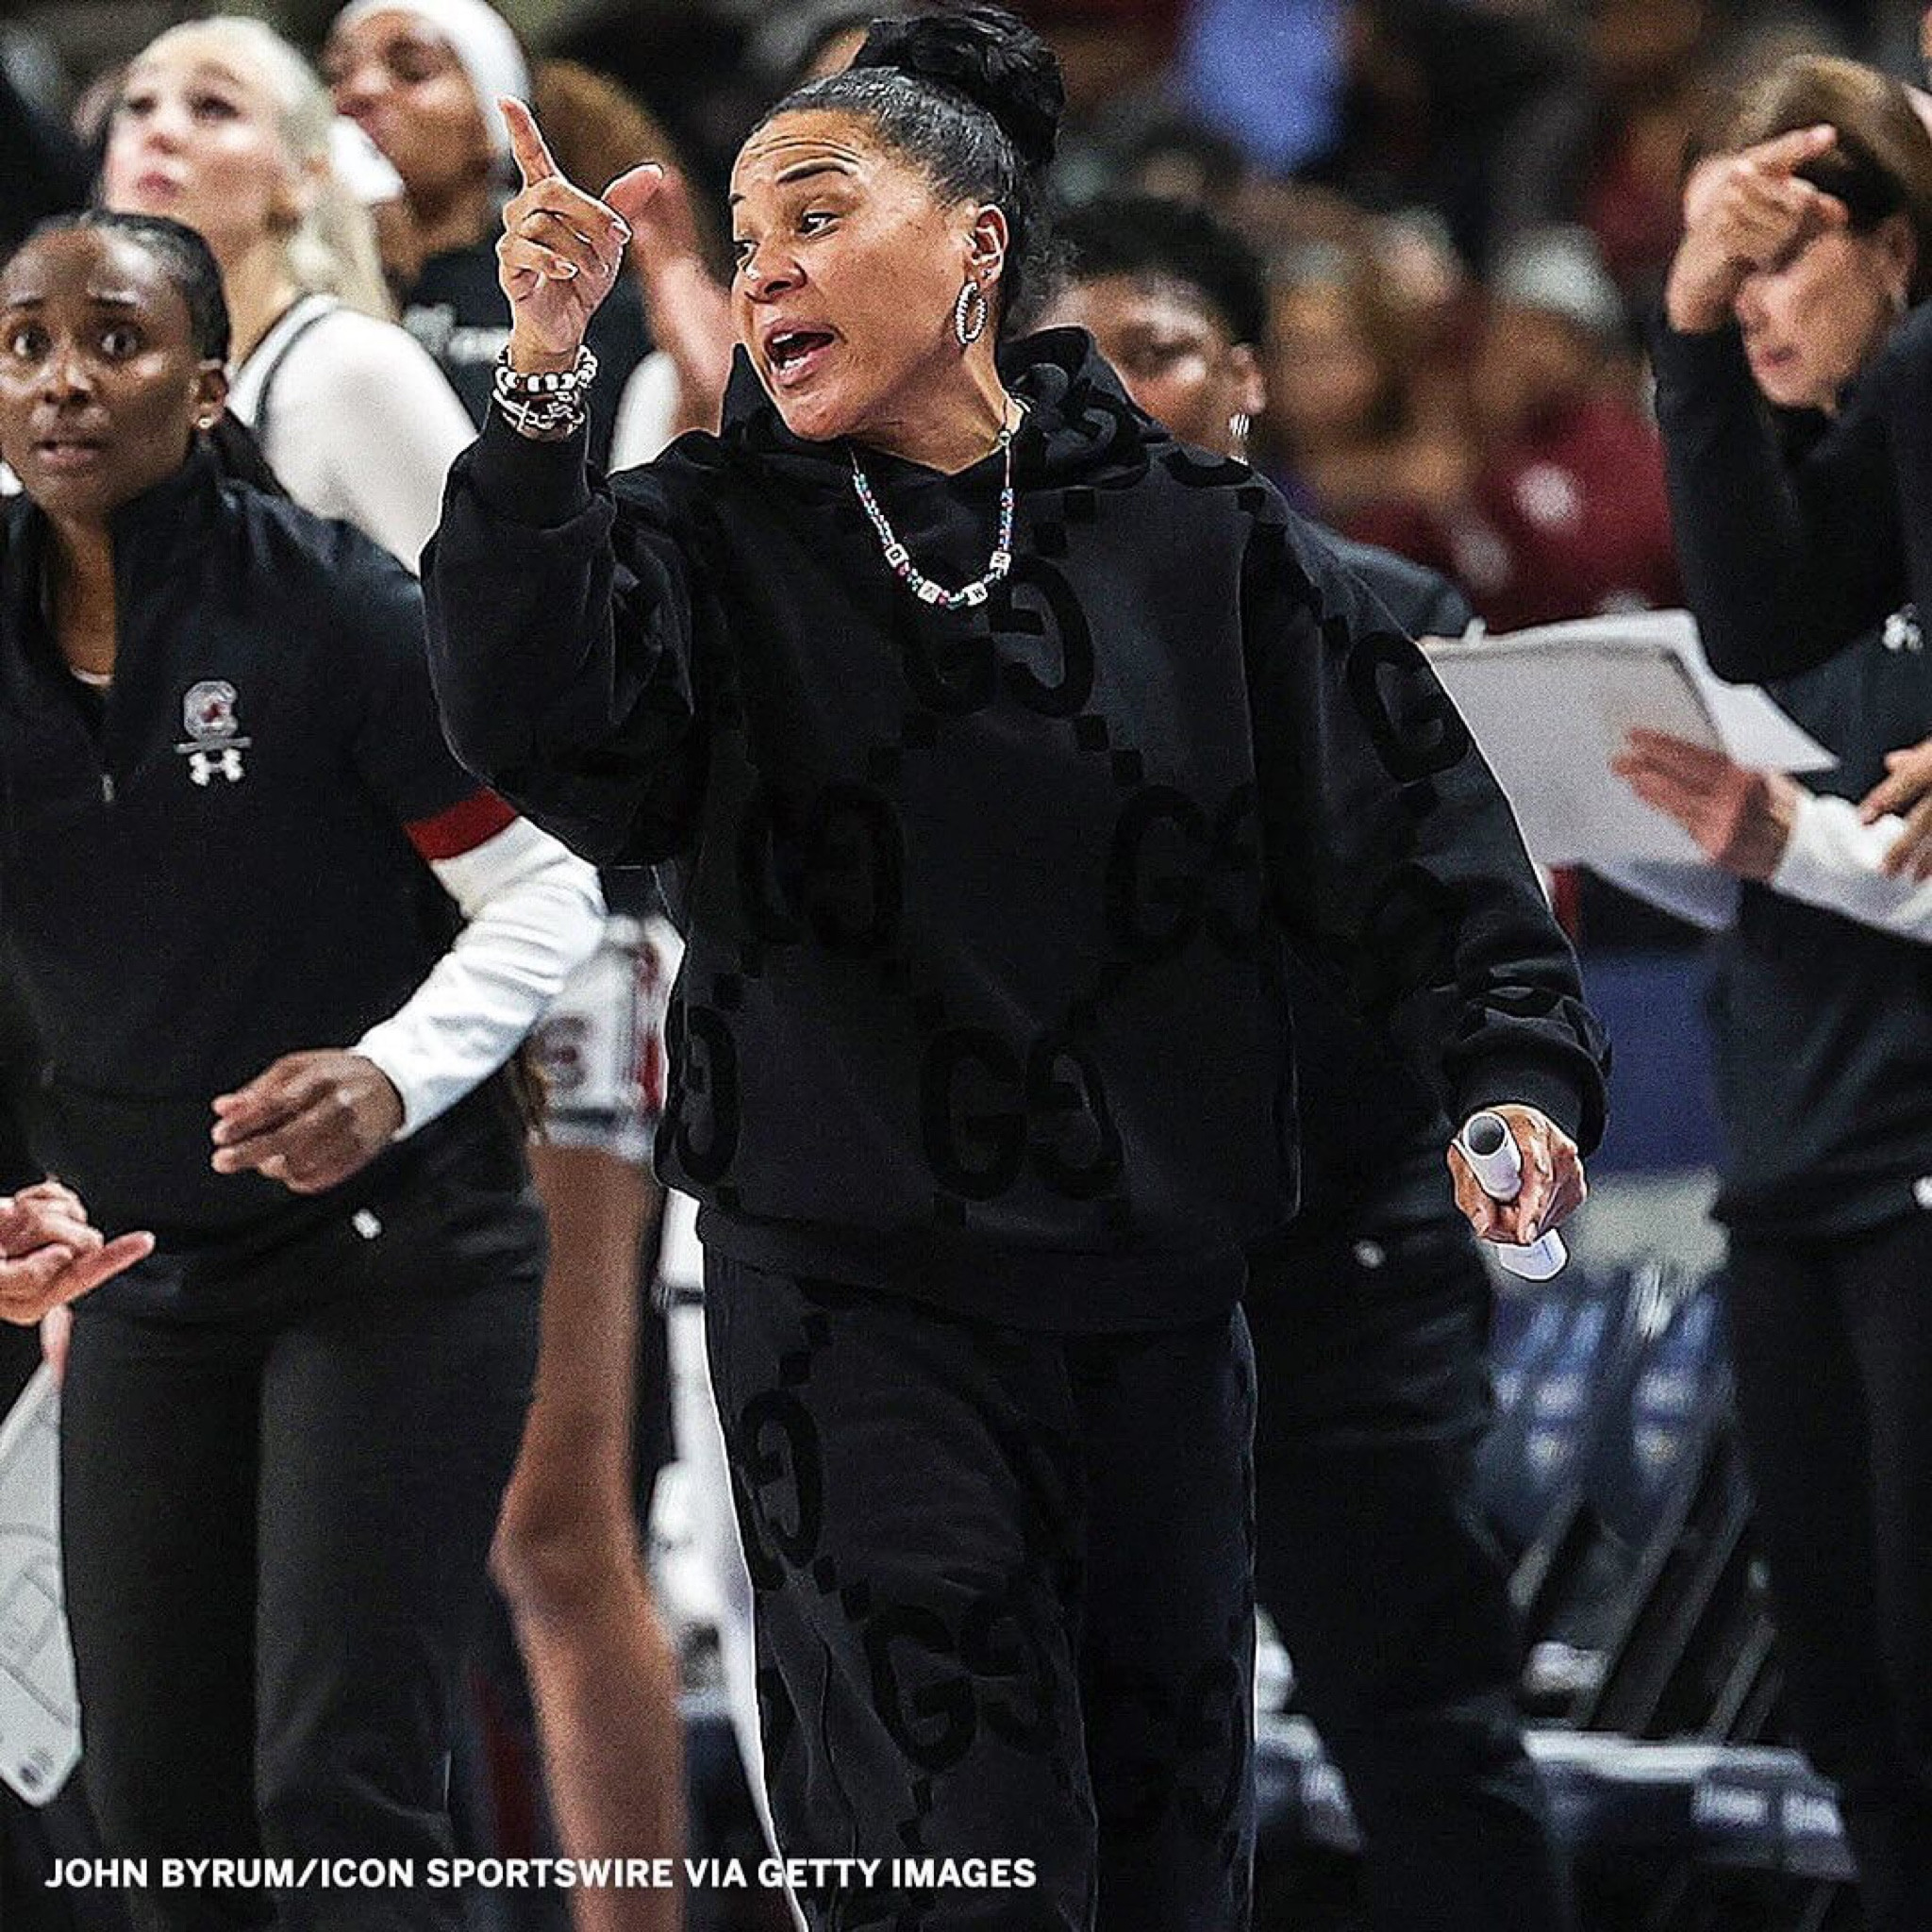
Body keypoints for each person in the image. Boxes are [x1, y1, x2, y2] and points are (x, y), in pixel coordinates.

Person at [422, 10, 1607, 1928]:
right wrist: (549, 375)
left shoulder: (1200, 542)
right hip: (853, 1315)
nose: (767, 266)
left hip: (1164, 1320)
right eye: (744, 237)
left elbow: (1420, 840)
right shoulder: (703, 536)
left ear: (977, 242)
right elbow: (531, 716)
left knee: (1158, 1871)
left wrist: (1515, 1075)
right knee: (961, 1869)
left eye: (818, 213)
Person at [0, 208, 604, 1932]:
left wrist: (390, 1074)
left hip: (396, 1270)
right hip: (146, 1281)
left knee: (337, 1800)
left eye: (113, 342)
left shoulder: (328, 605)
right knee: (159, 1828)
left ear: (206, 389)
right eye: (25, 343)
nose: (61, 381)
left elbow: (547, 887)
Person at [1041, 189, 1575, 1932]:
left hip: (1345, 1268)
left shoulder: (1397, 615)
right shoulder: (958, 648)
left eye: (1156, 352)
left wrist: (1506, 1091)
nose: (1112, 397)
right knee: (1102, 1761)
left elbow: (1483, 938)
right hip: (1084, 1283)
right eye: (1066, 364)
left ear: (1248, 378)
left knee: (1427, 1739)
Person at [1647, 53, 1932, 1932]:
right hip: (1791, 1161)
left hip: (1912, 1159)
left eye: (1782, 253)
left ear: (1896, 250)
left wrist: (1796, 841)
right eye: (1718, 256)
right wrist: (1682, 324)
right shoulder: (1844, 480)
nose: (1749, 295)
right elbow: (1754, 624)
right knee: (1851, 1708)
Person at [100, 13, 476, 566]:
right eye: (138, 105)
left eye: (213, 106)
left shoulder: (352, 365)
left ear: (302, 177)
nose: (160, 132)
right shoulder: (84, 378)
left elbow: (494, 602)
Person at [323, 0, 654, 473]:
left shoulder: (566, 289)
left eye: (413, 71)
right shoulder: (299, 278)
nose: (359, 91)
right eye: (338, 73)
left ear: (490, 126)